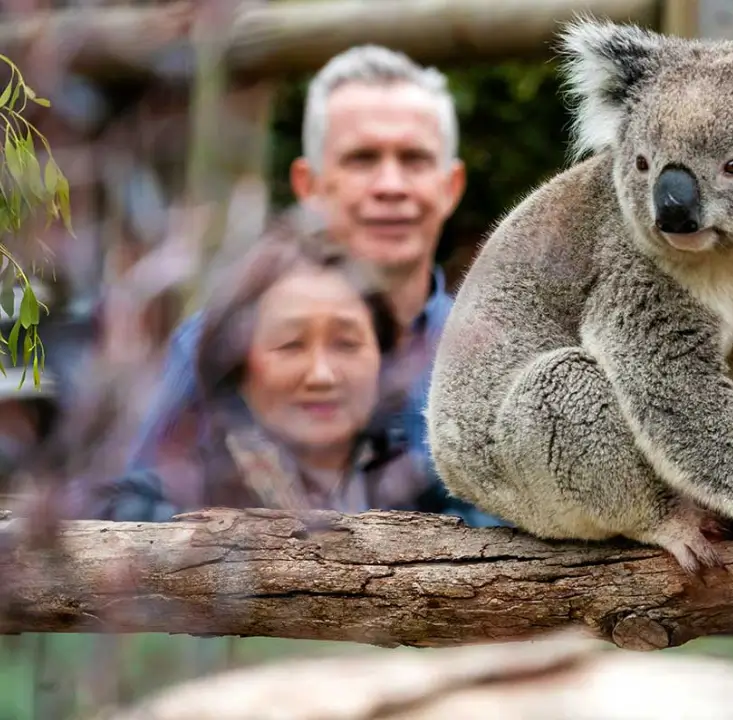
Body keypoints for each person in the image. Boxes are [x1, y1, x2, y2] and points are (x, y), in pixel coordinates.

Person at [125, 45, 503, 525]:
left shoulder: (497, 355)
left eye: (414, 159)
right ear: (308, 185)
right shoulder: (215, 344)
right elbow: (130, 517)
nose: (391, 185)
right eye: (362, 159)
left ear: (451, 186)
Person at [93, 211, 440, 520]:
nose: (321, 374)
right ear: (237, 363)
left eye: (346, 343)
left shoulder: (433, 497)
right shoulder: (162, 503)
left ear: (383, 356)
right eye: (291, 345)